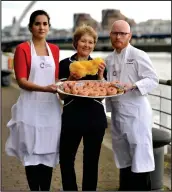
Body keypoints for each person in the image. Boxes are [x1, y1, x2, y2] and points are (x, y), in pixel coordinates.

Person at [5, 10, 62, 191]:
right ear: (31, 27)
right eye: (37, 23)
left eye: (45, 24)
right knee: (31, 153)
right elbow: (21, 81)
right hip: (30, 108)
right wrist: (45, 88)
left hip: (51, 110)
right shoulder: (22, 49)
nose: (41, 27)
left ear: (49, 27)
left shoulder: (54, 49)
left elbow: (55, 80)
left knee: (49, 152)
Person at [105, 20, 159, 191]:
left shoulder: (139, 55)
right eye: (115, 33)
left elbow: (153, 79)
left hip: (137, 115)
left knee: (140, 158)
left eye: (122, 34)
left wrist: (133, 85)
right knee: (123, 158)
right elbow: (106, 86)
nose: (118, 37)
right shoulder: (108, 59)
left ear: (130, 36)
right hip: (118, 114)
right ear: (110, 35)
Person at [58, 24, 107, 191]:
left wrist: (101, 77)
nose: (87, 45)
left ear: (94, 45)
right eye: (83, 41)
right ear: (76, 43)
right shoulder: (65, 64)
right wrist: (71, 78)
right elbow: (61, 95)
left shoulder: (99, 65)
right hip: (72, 117)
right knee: (66, 159)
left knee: (91, 162)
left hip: (95, 119)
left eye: (91, 42)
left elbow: (101, 95)